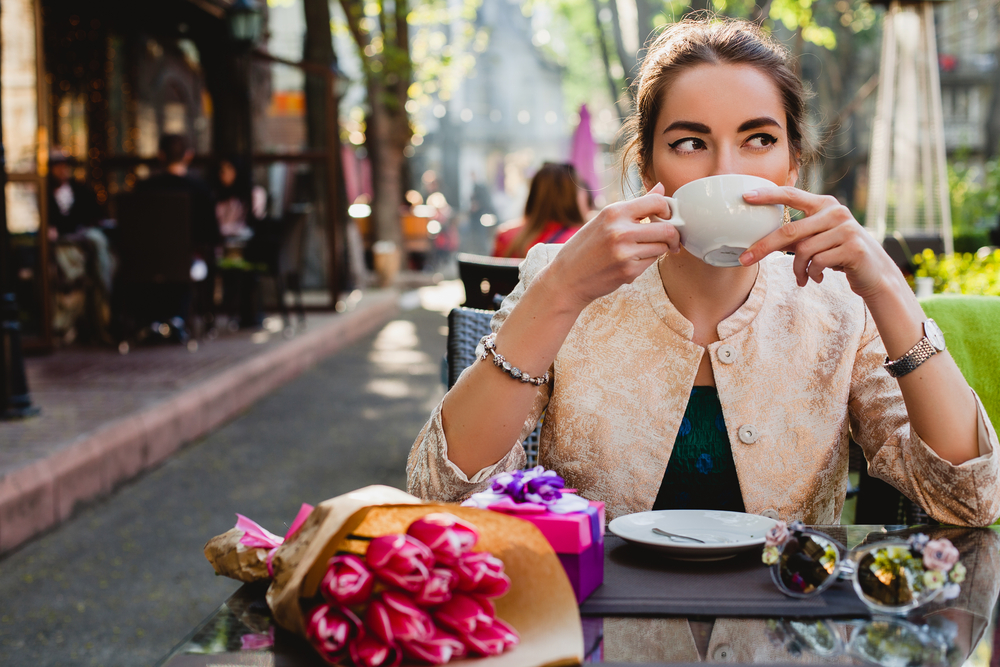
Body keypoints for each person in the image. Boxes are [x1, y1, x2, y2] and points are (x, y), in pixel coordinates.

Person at [407, 18, 1000, 526]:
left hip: (782, 639)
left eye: (758, 139)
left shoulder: (843, 304)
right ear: (646, 164)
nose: (726, 172)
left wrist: (888, 288)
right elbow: (440, 494)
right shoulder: (567, 279)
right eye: (691, 143)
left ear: (792, 163)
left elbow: (971, 500)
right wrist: (559, 290)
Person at [491, 162, 587, 258]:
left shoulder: (505, 237)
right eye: (580, 187)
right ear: (572, 197)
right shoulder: (582, 241)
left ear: (534, 194)